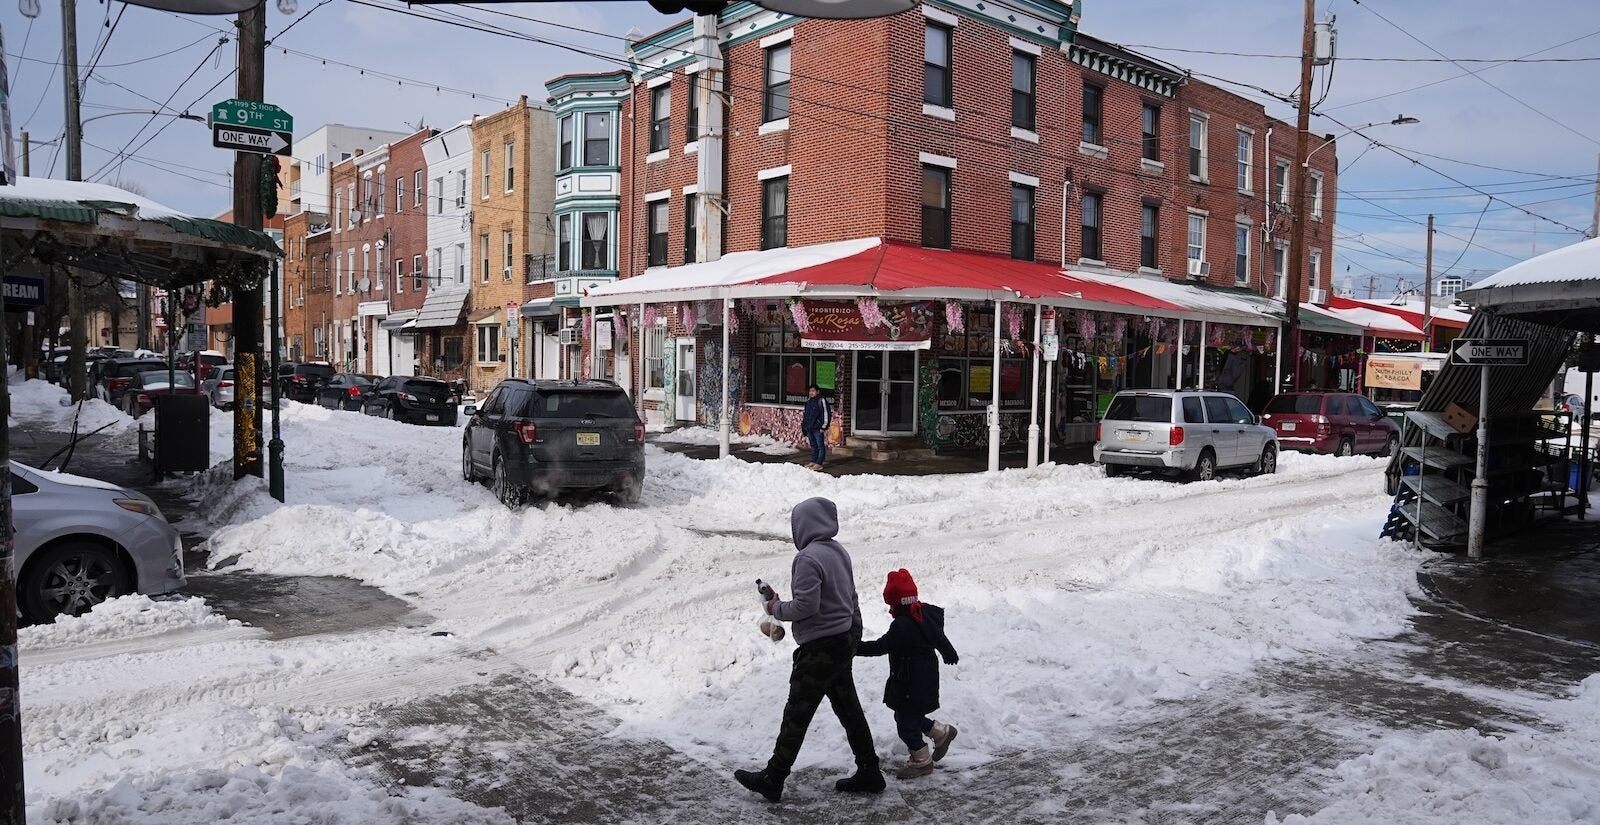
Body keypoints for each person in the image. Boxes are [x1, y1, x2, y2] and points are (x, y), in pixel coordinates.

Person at [735, 497, 883, 803]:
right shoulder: (838, 552)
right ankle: (870, 770)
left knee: (797, 713)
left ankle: (773, 778)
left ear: (803, 526)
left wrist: (776, 607)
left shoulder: (807, 559)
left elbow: (806, 605)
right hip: (842, 639)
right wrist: (853, 634)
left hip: (820, 649)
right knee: (849, 709)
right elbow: (849, 597)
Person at [857, 568, 960, 778]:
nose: (889, 610)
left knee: (906, 725)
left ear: (897, 603)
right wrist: (949, 653)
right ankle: (941, 733)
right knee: (908, 716)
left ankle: (921, 761)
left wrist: (854, 648)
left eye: (891, 605)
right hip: (924, 678)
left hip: (910, 681)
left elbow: (881, 646)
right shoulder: (924, 614)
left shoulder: (902, 625)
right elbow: (938, 637)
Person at [801, 384, 831, 470]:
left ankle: (819, 462)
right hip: (810, 427)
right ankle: (813, 461)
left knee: (820, 445)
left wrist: (824, 426)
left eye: (813, 391)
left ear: (817, 392)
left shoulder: (821, 401)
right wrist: (804, 426)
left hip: (818, 428)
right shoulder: (809, 402)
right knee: (813, 445)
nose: (811, 393)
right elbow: (806, 415)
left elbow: (826, 414)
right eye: (810, 391)